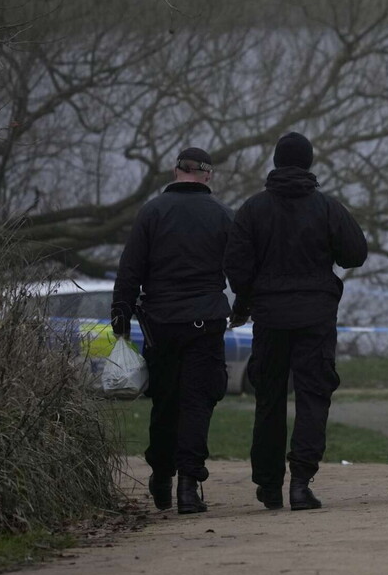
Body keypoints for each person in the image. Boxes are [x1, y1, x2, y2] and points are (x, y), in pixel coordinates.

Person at [225, 132, 367, 511]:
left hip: (269, 318)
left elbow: (236, 266)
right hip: (316, 317)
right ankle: (301, 482)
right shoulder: (326, 207)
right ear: (308, 163)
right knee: (313, 397)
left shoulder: (253, 209)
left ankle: (269, 484)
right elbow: (355, 253)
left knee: (268, 400)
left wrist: (249, 297)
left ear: (275, 162)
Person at [111, 147, 234, 514]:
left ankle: (162, 475)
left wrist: (120, 311)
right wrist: (244, 307)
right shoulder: (224, 216)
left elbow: (130, 267)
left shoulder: (151, 212)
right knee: (198, 402)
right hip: (205, 323)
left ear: (175, 170)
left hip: (160, 325)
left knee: (165, 403)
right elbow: (242, 268)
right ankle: (189, 487)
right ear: (208, 175)